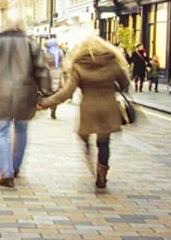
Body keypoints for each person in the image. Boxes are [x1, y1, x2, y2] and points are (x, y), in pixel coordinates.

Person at [38, 35, 131, 189]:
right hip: (108, 108)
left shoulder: (79, 66)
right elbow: (124, 84)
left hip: (89, 108)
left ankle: (88, 152)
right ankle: (102, 173)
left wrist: (46, 103)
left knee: (84, 135)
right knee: (104, 143)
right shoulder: (112, 62)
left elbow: (66, 92)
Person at [0, 13, 52, 188]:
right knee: (21, 130)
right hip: (25, 94)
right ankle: (15, 167)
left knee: (0, 132)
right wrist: (46, 93)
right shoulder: (32, 44)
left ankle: (6, 173)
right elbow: (42, 70)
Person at [44, 38, 67, 119]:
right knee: (57, 93)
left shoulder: (46, 52)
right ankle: (54, 108)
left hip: (48, 74)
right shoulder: (60, 52)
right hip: (58, 73)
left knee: (50, 93)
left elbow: (42, 63)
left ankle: (50, 106)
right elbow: (64, 64)